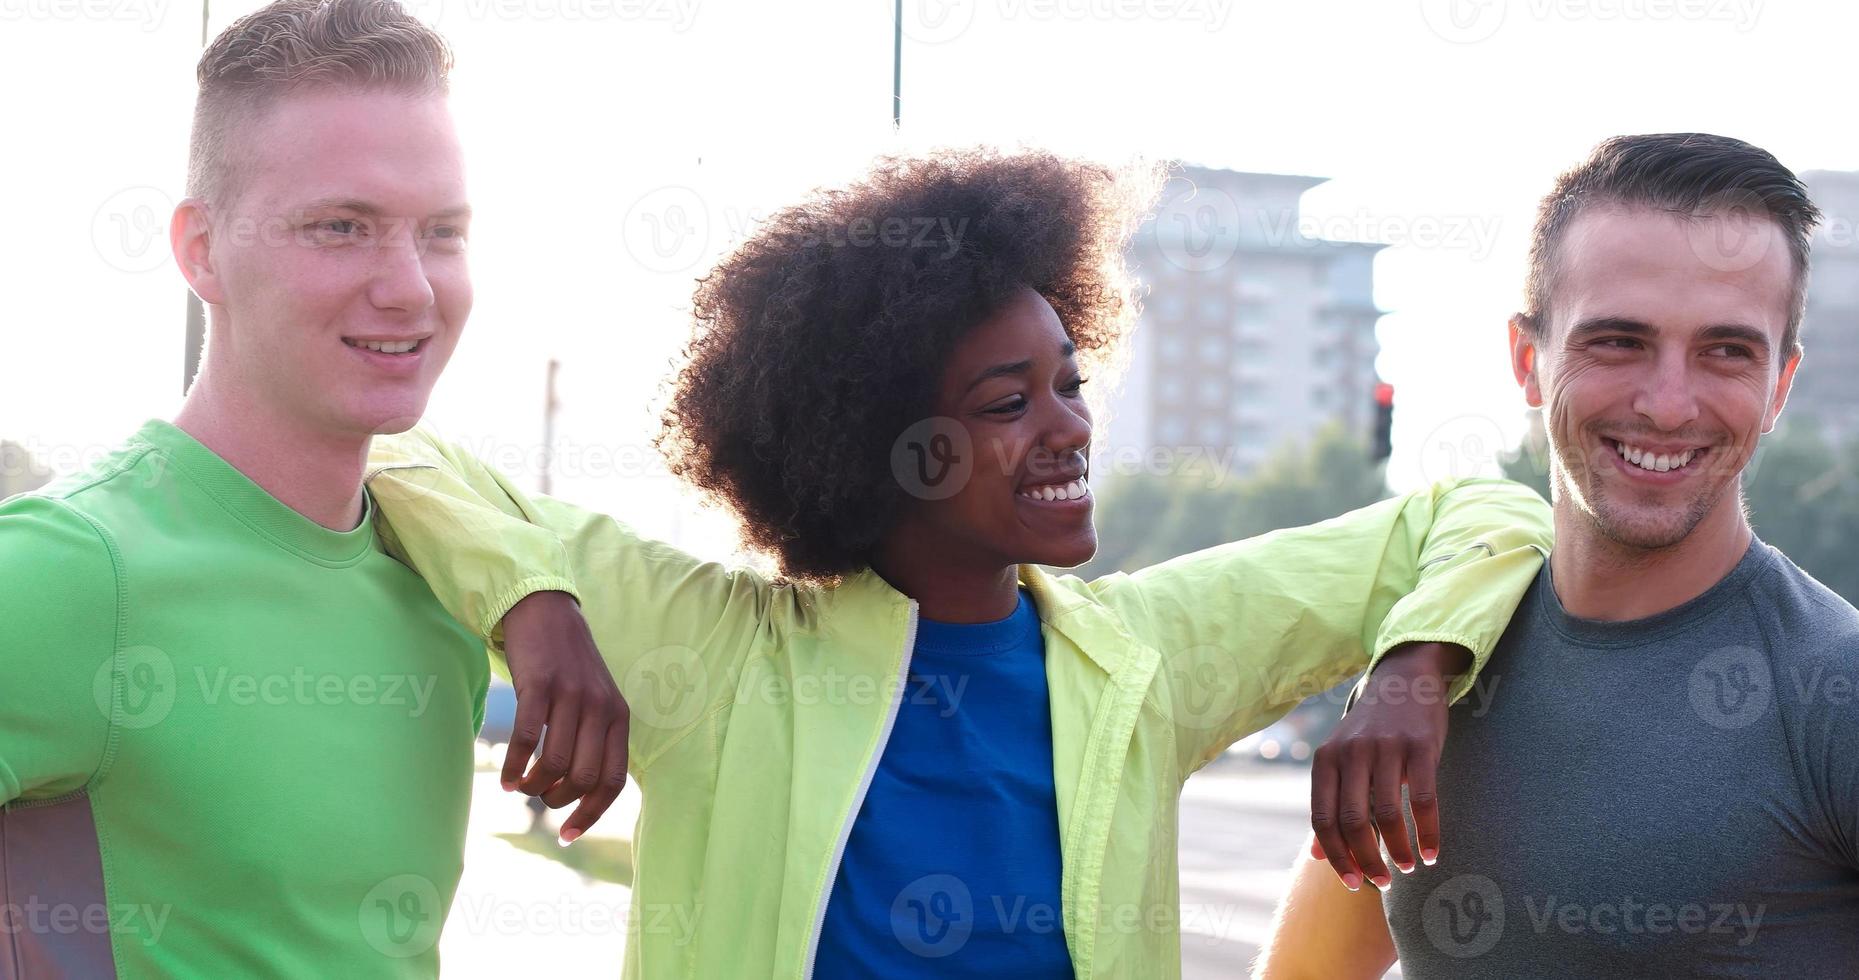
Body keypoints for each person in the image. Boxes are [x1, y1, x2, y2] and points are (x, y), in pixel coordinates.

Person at [360, 147, 1554, 977]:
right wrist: (535, 598)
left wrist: (1410, 665)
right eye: (1007, 400)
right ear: (881, 445)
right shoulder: (721, 648)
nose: (1069, 426)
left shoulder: (1147, 650)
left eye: (1069, 383)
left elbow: (1482, 513)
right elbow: (395, 451)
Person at [0, 2, 625, 974]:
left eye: (443, 231)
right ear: (200, 248)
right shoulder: (75, 568)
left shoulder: (435, 581)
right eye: (342, 226)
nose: (411, 287)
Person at [1254, 133, 1859, 979]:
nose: (1668, 403)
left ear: (1779, 387)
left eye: (1726, 350)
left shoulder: (1834, 688)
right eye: (1618, 341)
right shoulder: (1435, 657)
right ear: (1526, 359)